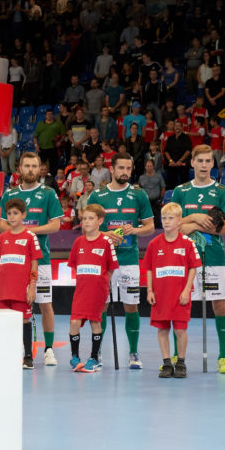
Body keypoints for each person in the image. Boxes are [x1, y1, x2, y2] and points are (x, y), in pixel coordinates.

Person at [169, 145, 225, 373]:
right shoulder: (180, 191)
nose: (205, 165)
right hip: (183, 258)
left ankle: (223, 357)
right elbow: (173, 225)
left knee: (220, 304)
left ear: (213, 165)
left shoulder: (222, 192)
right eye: (201, 161)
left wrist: (191, 225)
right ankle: (178, 357)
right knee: (180, 303)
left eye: (209, 161)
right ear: (193, 163)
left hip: (214, 256)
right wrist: (198, 217)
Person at [89, 155, 155, 369]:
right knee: (101, 306)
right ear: (112, 169)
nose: (125, 171)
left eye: (128, 168)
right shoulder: (98, 195)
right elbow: (87, 227)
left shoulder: (138, 194)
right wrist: (105, 234)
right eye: (121, 168)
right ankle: (96, 352)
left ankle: (133, 353)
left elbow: (150, 227)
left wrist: (134, 230)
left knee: (131, 306)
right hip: (104, 261)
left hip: (129, 260)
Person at [0, 152, 63, 366]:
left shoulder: (48, 193)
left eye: (35, 166)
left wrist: (29, 231)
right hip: (13, 263)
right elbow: (1, 224)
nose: (31, 170)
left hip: (40, 260)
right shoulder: (10, 194)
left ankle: (49, 349)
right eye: (27, 166)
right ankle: (13, 349)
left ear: (40, 169)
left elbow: (56, 225)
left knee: (45, 304)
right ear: (20, 168)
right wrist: (21, 232)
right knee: (12, 307)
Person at [144, 202, 200, 379]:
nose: (167, 221)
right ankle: (166, 363)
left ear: (179, 221)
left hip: (179, 295)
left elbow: (193, 267)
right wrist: (150, 290)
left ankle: (181, 362)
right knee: (162, 330)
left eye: (171, 218)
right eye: (164, 218)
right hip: (160, 295)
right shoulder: (154, 244)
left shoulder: (187, 243)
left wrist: (186, 290)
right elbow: (149, 269)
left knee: (180, 330)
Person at [66, 204, 119, 373]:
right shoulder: (78, 242)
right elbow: (74, 265)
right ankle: (75, 357)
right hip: (81, 290)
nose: (86, 222)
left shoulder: (106, 242)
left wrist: (103, 283)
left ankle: (94, 358)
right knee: (74, 322)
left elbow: (111, 267)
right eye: (84, 219)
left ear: (100, 221)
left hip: (98, 290)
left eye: (90, 218)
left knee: (95, 322)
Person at [0, 199, 41, 370]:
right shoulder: (2, 237)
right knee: (4, 321)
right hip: (3, 289)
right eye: (9, 214)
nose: (12, 217)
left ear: (23, 215)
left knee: (24, 321)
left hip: (21, 289)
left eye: (15, 213)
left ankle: (27, 356)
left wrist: (32, 286)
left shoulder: (30, 236)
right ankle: (6, 354)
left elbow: (35, 263)